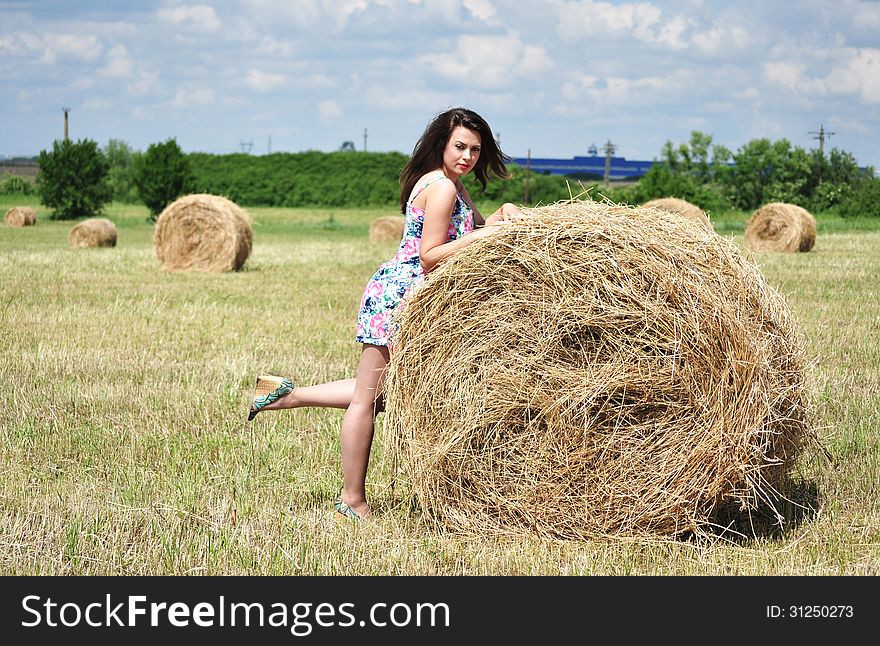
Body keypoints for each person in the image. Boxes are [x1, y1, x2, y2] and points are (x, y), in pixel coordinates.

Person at [246, 107, 523, 521]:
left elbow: (474, 234)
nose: (467, 156)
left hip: (413, 297)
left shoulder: (452, 185)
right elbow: (429, 257)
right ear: (442, 145)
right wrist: (493, 232)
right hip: (402, 296)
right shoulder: (444, 188)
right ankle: (351, 500)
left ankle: (285, 395)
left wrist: (503, 214)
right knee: (368, 400)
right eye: (460, 147)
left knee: (380, 393)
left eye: (475, 150)